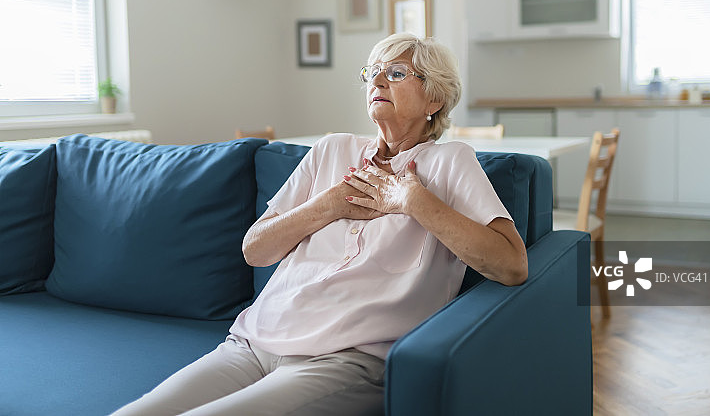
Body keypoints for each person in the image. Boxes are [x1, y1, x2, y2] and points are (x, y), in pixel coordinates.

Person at [111, 33, 528, 416]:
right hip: (253, 342)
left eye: (396, 73)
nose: (378, 81)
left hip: (345, 357)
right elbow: (255, 250)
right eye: (373, 72)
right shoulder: (331, 150)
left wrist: (413, 200)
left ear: (434, 99)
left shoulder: (450, 161)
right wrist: (329, 205)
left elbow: (511, 265)